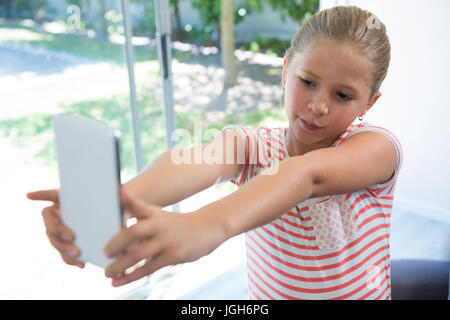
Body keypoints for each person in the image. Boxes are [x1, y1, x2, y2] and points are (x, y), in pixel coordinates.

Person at [27, 5, 403, 299]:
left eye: (342, 95)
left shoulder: (377, 148)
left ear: (369, 103)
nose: (319, 106)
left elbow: (306, 174)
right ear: (286, 72)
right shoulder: (255, 146)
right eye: (308, 82)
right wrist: (111, 202)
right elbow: (198, 158)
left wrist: (206, 225)